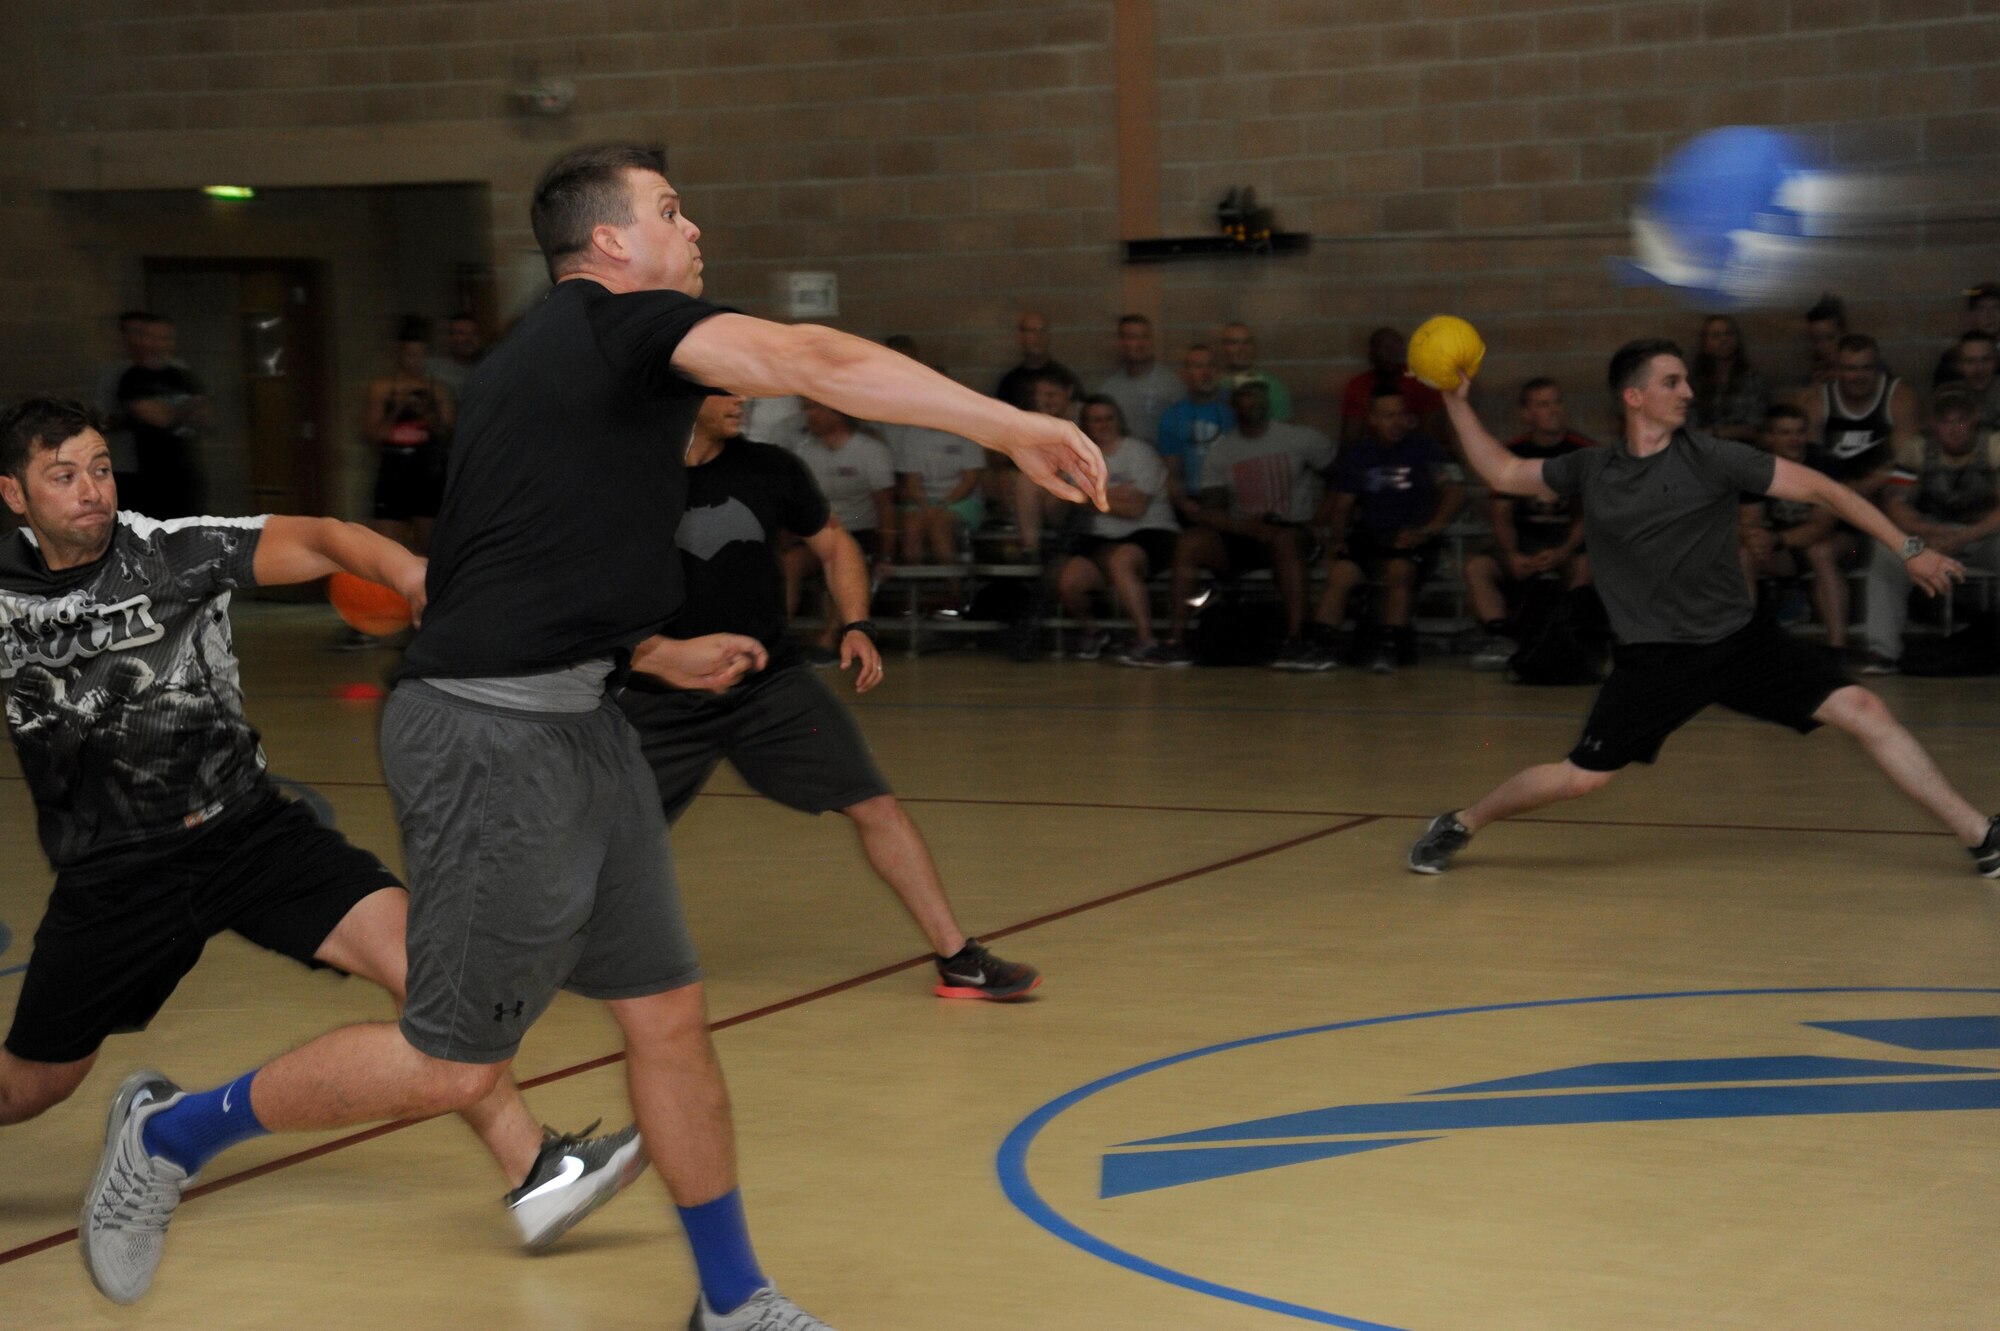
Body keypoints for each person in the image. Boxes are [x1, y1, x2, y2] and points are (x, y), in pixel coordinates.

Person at [80, 141, 1105, 1329]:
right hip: (489, 739)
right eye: (672, 210)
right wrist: (1006, 426)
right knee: (454, 1062)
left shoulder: (574, 375)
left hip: (584, 718)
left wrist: (647, 652)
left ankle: (732, 1302)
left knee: (667, 1016)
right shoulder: (605, 326)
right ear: (609, 244)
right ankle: (169, 1131)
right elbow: (809, 355)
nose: (695, 229)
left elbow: (508, 563)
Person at [0, 399, 642, 1271]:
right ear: (13, 493)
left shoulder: (173, 550)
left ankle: (536, 1173)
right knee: (28, 1086)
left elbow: (328, 538)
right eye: (62, 475)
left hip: (249, 833)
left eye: (101, 467)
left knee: (437, 984)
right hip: (115, 875)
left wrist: (411, 573)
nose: (91, 491)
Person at [1407, 338, 1998, 881]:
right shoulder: (1593, 468)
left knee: (1865, 709)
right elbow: (1504, 473)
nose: (1687, 392)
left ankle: (1980, 836)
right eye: (1672, 382)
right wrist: (1457, 403)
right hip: (1656, 660)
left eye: (1687, 380)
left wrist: (1909, 548)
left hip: (1741, 642)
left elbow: (1826, 490)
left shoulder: (1715, 457)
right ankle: (1462, 821)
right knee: (1581, 779)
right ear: (1635, 397)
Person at [617, 392, 1039, 998]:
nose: (742, 399)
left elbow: (836, 544)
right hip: (656, 699)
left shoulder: (771, 467)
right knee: (593, 836)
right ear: (683, 392)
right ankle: (518, 960)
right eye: (726, 387)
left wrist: (857, 622)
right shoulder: (624, 477)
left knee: (876, 805)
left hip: (770, 689)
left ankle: (958, 958)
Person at [1161, 380, 1333, 667]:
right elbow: (1211, 509)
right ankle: (1175, 641)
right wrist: (1246, 527)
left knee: (1285, 540)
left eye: (1256, 398)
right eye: (1243, 398)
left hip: (1293, 529)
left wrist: (1321, 521)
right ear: (1233, 405)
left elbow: (1342, 480)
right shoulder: (1223, 450)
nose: (1250, 404)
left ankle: (1296, 640)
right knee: (1191, 542)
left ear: (1268, 403)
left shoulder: (1301, 438)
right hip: (1248, 531)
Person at [1308, 386, 1466, 673]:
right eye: (1387, 415)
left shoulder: (1427, 448)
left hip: (1413, 538)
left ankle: (1390, 643)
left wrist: (1429, 529)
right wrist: (1337, 541)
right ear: (1373, 419)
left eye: (1401, 415)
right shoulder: (1360, 454)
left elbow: (1454, 491)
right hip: (1371, 538)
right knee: (1341, 574)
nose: (1396, 421)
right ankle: (1320, 644)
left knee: (1399, 570)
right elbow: (1343, 505)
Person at [1860, 388, 2000, 673]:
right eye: (1946, 422)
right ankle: (1882, 652)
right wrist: (1927, 531)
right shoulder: (1916, 447)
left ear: (1973, 420)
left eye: (1961, 420)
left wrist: (1963, 536)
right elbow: (1896, 505)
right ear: (1934, 425)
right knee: (1887, 551)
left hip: (1981, 537)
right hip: (1927, 539)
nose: (1954, 429)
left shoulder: (1995, 446)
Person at [1462, 377, 1595, 668]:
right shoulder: (1511, 454)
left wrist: (1563, 551)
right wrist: (1511, 554)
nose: (1553, 410)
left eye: (1557, 402)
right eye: (1543, 404)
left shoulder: (1585, 452)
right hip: (1524, 543)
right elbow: (1501, 516)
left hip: (1567, 543)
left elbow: (1590, 514)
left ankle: (1573, 639)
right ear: (1526, 414)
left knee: (1585, 565)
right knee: (1477, 567)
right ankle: (1501, 639)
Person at [1037, 396, 1178, 664]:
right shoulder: (1079, 461)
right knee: (1068, 578)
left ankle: (1147, 640)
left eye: (1109, 418)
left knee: (1122, 560)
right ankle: (1093, 631)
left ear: (1119, 421)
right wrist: (1102, 495)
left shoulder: (1139, 453)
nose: (1103, 424)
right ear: (1086, 425)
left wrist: (1088, 499)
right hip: (1101, 538)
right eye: (1096, 419)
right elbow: (1055, 513)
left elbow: (1135, 508)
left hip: (1149, 533)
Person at [783, 399, 896, 660]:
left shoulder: (870, 450)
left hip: (860, 529)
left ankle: (832, 638)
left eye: (816, 409)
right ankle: (779, 631)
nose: (809, 415)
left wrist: (886, 553)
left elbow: (885, 506)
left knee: (844, 560)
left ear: (837, 413)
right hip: (818, 531)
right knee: (788, 563)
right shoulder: (804, 451)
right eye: (808, 409)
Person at [1736, 403, 1850, 654]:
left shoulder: (1824, 464)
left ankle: (1837, 648)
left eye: (1799, 432)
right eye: (1785, 433)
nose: (1795, 439)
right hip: (1784, 548)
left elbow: (1823, 525)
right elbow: (1748, 521)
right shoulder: (1756, 468)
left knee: (1819, 551)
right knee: (1744, 553)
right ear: (1769, 437)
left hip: (1840, 544)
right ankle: (1745, 643)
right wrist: (1756, 538)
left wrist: (1774, 540)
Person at [363, 315, 455, 556]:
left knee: (428, 548)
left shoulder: (437, 388)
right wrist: (396, 408)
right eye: (410, 355)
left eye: (420, 355)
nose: (415, 361)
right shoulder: (382, 388)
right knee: (387, 547)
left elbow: (449, 432)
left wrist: (427, 412)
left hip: (427, 471)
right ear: (399, 354)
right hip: (393, 471)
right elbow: (373, 435)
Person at [1799, 332, 1918, 507]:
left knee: (1901, 495)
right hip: (1835, 501)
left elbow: (1906, 466)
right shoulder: (1816, 402)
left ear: (1878, 368)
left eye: (1866, 368)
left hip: (1884, 499)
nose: (1859, 377)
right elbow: (1812, 469)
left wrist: (1865, 488)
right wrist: (1858, 488)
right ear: (1838, 369)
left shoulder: (1899, 397)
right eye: (1851, 369)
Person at [117, 315, 208, 520]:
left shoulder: (183, 375)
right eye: (154, 337)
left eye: (166, 338)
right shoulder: (133, 378)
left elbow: (206, 416)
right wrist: (186, 409)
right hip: (153, 479)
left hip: (187, 476)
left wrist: (176, 411)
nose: (160, 343)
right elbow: (159, 418)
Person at [1155, 344, 1235, 524]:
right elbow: (1171, 474)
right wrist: (1184, 504)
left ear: (1219, 372)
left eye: (1211, 366)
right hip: (1195, 502)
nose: (1206, 373)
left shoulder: (1236, 406)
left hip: (1236, 500)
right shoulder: (1173, 416)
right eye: (1198, 367)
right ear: (1185, 374)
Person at [1339, 326, 1443, 448]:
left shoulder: (1419, 380)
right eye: (1385, 347)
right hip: (1373, 451)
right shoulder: (1358, 385)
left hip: (1414, 449)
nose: (1391, 353)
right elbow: (1351, 435)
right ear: (1372, 353)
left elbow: (1431, 429)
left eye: (1396, 347)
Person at [1094, 314, 1181, 446]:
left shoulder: (1172, 385)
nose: (1139, 343)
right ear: (1121, 342)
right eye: (1131, 337)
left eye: (1144, 337)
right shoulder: (1109, 390)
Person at [1688, 314, 1768, 443]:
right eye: (1716, 336)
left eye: (1729, 334)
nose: (1724, 339)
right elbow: (1690, 427)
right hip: (1705, 450)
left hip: (1742, 449)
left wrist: (1715, 432)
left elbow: (1754, 428)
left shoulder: (1752, 381)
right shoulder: (1695, 383)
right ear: (1705, 344)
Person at [993, 311, 1080, 412]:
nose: (1038, 337)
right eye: (1032, 331)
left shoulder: (1065, 377)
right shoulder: (1009, 383)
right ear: (1020, 337)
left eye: (1042, 330)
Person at [1216, 321, 1292, 420]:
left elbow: (1283, 429)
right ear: (1222, 348)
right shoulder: (1213, 384)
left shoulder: (1272, 386)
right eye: (1233, 343)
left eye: (1247, 342)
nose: (1241, 349)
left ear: (1254, 347)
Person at [1931, 281, 2000, 387]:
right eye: (1982, 309)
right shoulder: (1953, 357)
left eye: (1996, 308)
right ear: (1972, 315)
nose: (1989, 315)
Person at [1941, 330, 2000, 433]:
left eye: (1986, 360)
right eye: (1970, 361)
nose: (1979, 369)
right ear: (1958, 365)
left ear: (1996, 362)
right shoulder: (1948, 397)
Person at [425, 313, 487, 397]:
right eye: (461, 333)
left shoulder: (489, 368)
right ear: (449, 338)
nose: (468, 339)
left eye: (473, 333)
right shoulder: (431, 368)